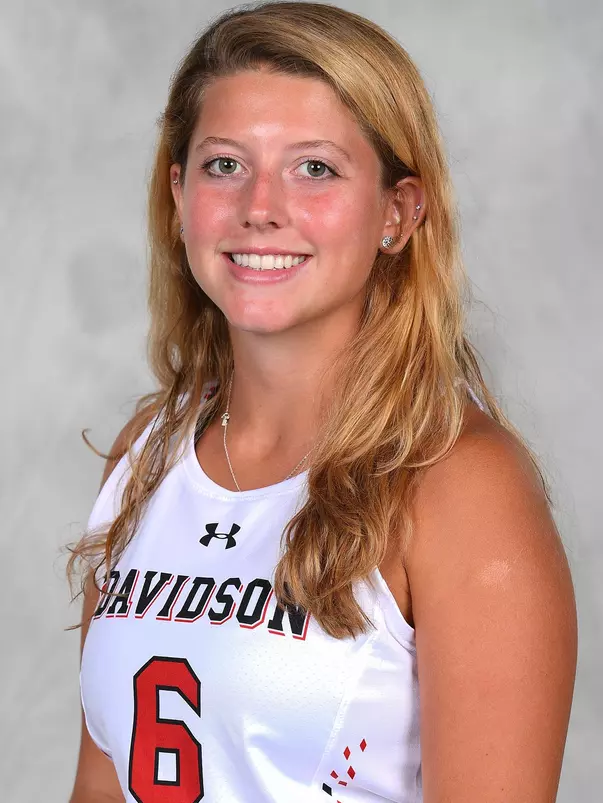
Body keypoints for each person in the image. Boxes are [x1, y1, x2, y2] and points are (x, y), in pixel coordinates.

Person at [67, 2, 577, 801]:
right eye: (224, 164)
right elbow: (100, 785)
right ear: (178, 193)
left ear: (397, 213)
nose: (259, 206)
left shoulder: (457, 486)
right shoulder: (149, 451)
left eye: (315, 168)